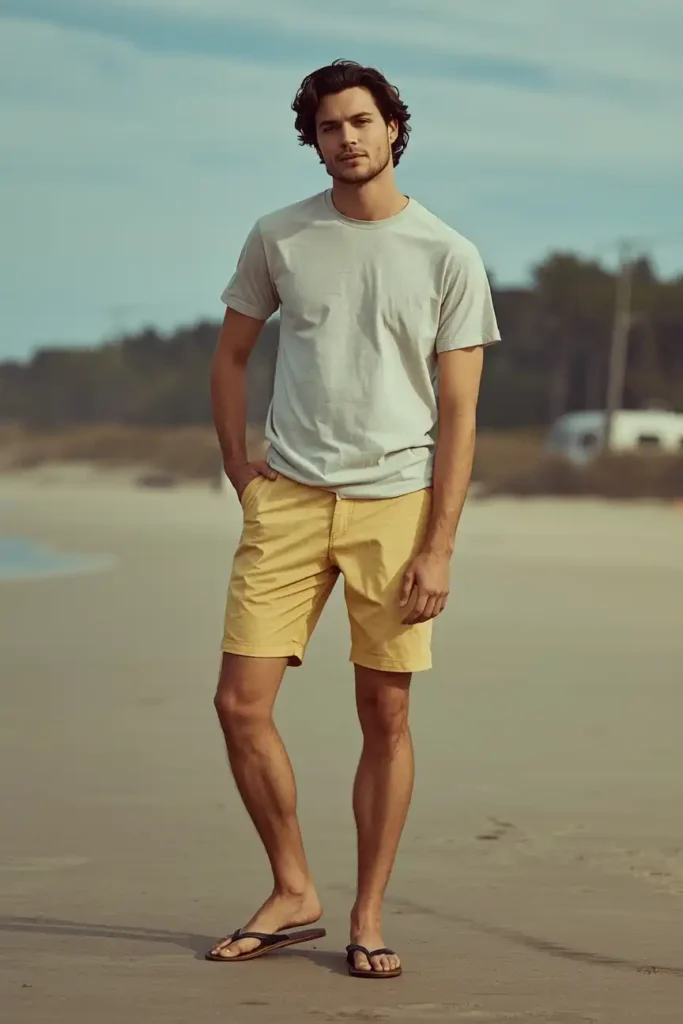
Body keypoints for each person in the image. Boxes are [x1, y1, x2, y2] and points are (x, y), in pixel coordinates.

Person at [207, 59, 500, 979]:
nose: (347, 138)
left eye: (362, 121)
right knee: (238, 704)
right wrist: (238, 468)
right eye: (330, 126)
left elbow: (460, 413)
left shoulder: (447, 254)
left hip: (396, 507)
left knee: (385, 712)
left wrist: (439, 547)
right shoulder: (279, 236)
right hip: (289, 499)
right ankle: (293, 889)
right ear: (314, 139)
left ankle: (367, 915)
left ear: (393, 128)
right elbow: (230, 356)